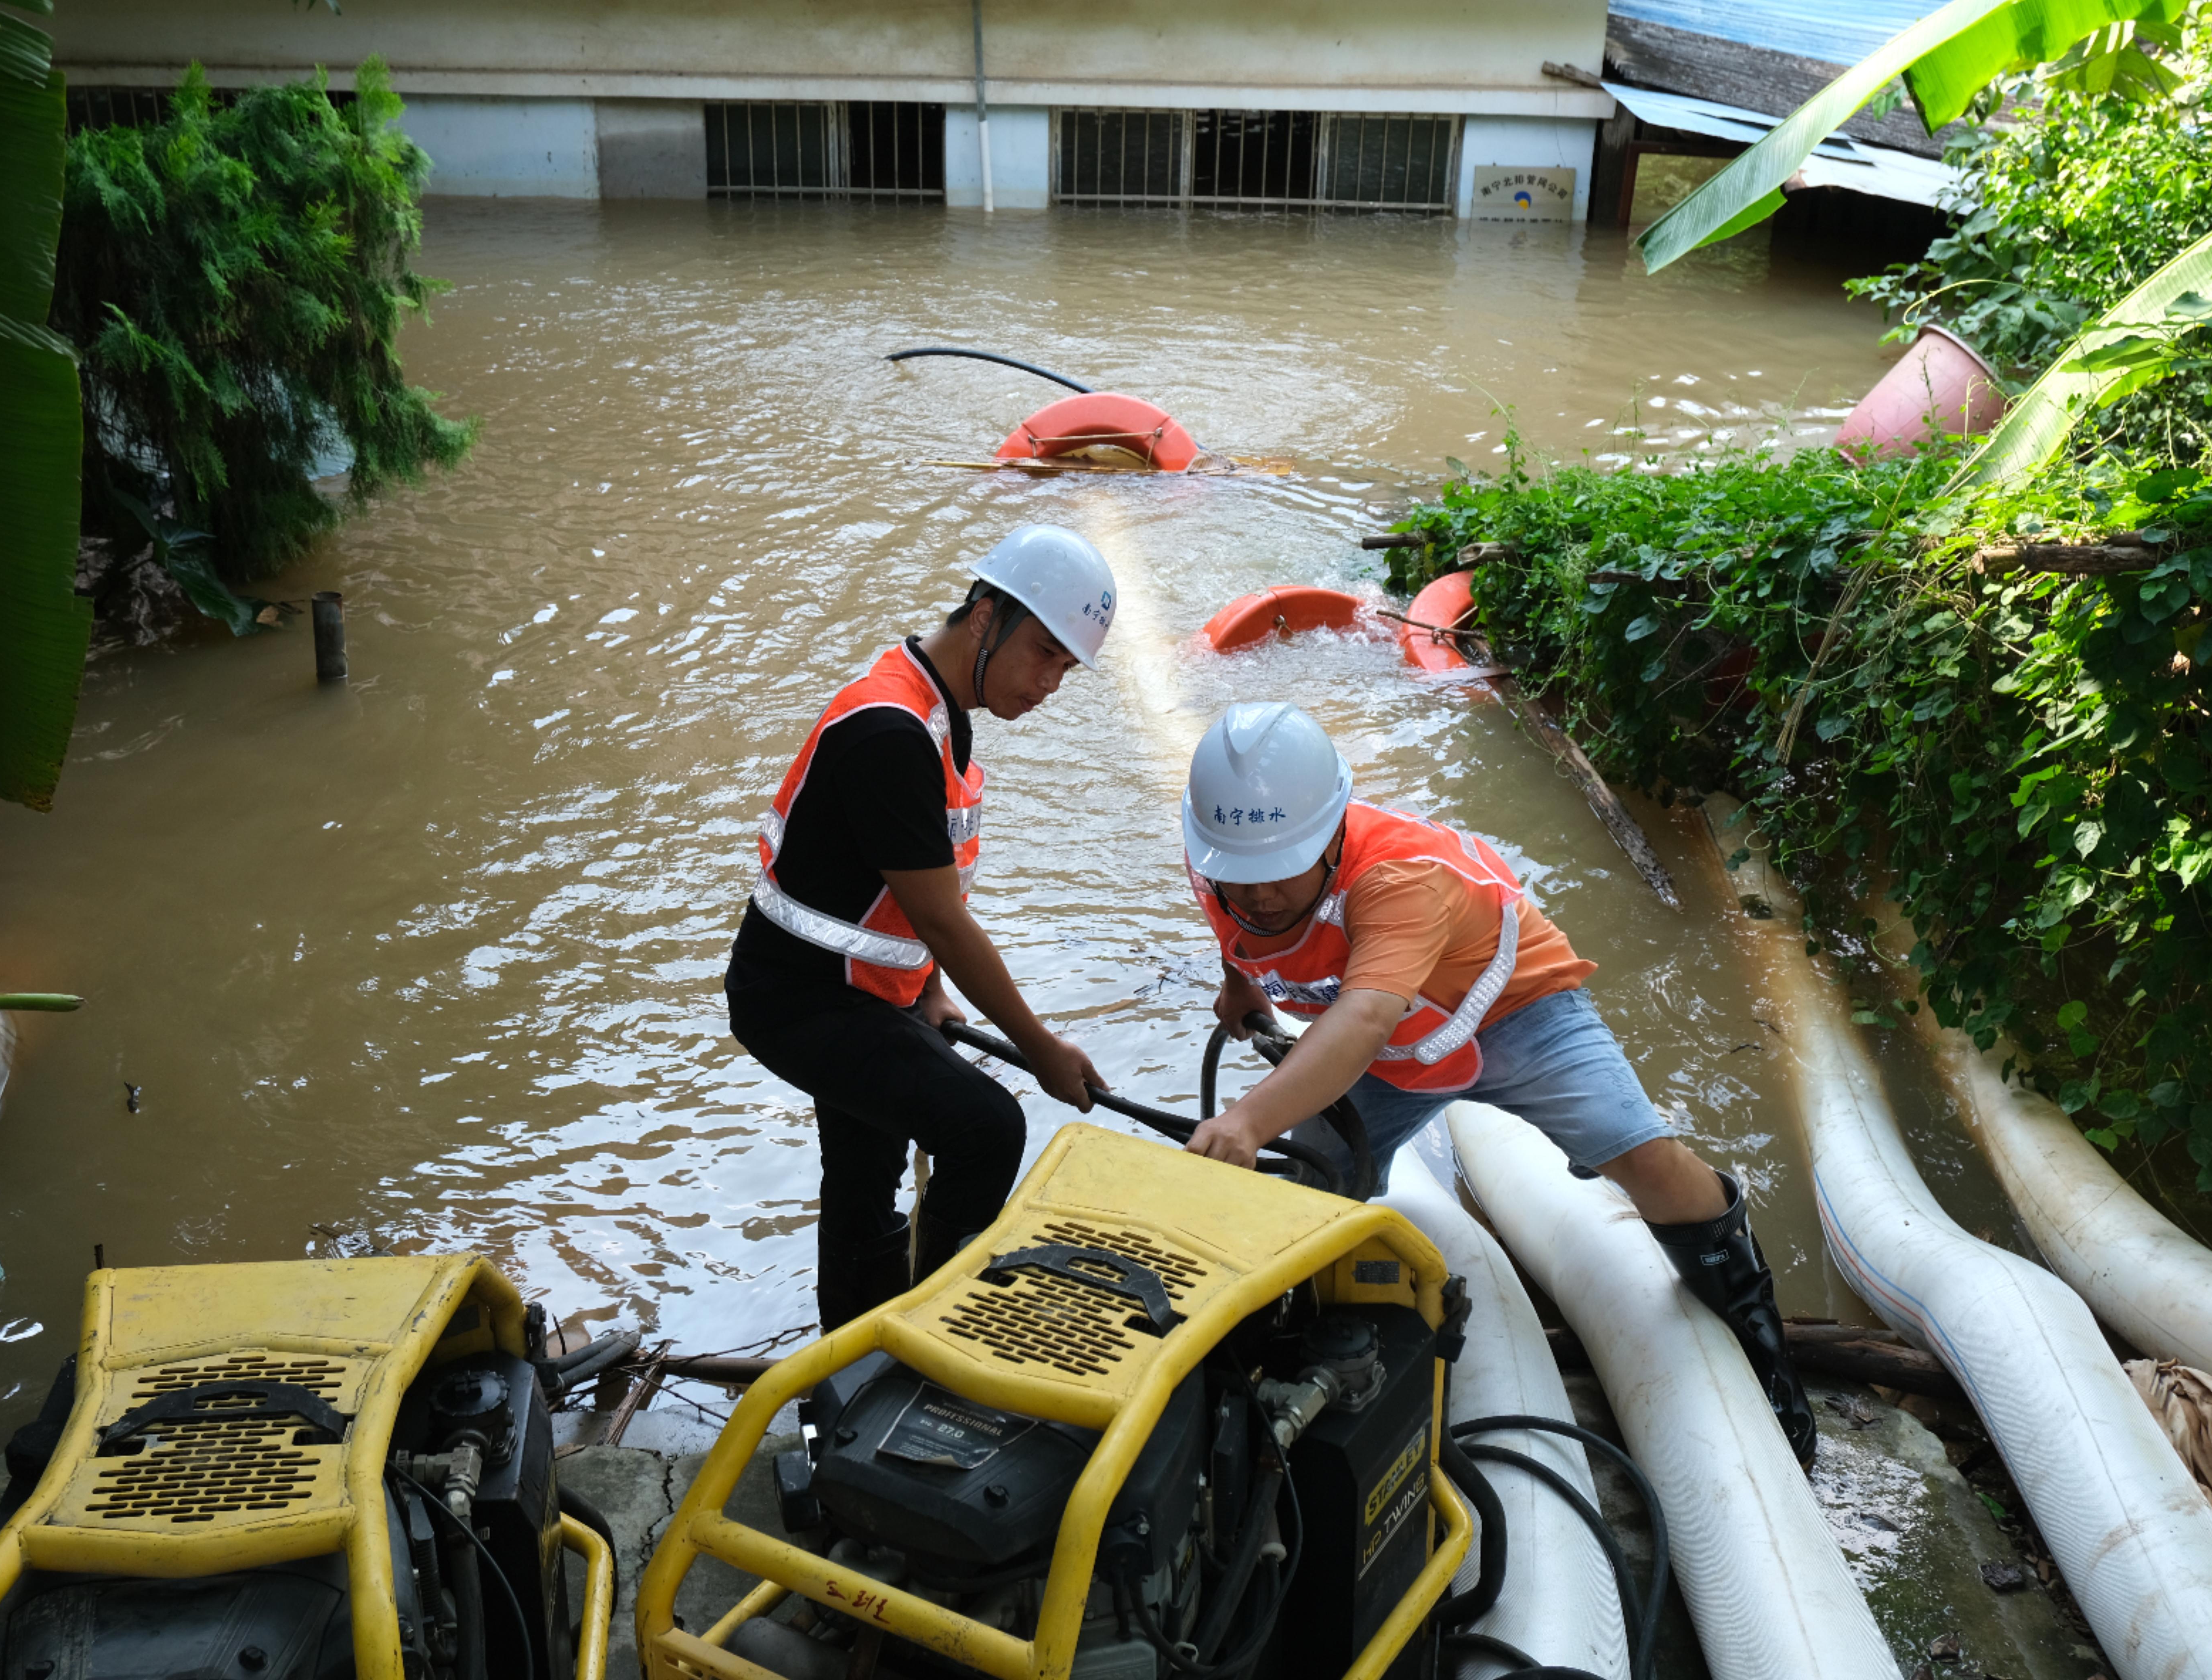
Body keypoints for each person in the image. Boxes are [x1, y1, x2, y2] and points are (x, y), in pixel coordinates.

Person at [1175, 702, 1816, 1468]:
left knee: (1640, 1153)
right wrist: (1241, 986)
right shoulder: (1221, 862)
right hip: (1392, 1049)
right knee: (1312, 1188)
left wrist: (1248, 1121)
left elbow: (1364, 1019)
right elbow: (1243, 934)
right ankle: (1294, 1371)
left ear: (1331, 833)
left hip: (1516, 1016)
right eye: (1239, 874)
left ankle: (1758, 1340)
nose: (1256, 894)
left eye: (1279, 869)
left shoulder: (1401, 875)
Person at [726, 525, 1116, 1334]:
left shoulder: (937, 712)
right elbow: (941, 915)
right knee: (987, 1128)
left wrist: (928, 991)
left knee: (865, 1172)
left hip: (859, 990)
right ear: (985, 616)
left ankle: (856, 1354)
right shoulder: (891, 732)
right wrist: (1042, 1048)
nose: (1050, 683)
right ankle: (933, 1338)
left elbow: (901, 886)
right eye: (1044, 653)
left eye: (1067, 668)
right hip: (799, 997)